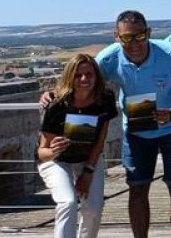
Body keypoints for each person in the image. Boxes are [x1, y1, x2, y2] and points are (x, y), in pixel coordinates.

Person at [97, 10, 171, 238]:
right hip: (137, 131)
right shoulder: (107, 60)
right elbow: (79, 79)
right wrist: (52, 96)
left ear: (149, 33)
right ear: (116, 36)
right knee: (137, 189)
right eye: (127, 38)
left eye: (139, 36)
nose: (134, 44)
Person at [37, 53, 119, 238]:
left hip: (88, 158)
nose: (84, 79)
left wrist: (88, 172)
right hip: (57, 160)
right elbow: (42, 152)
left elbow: (99, 141)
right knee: (68, 201)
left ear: (96, 76)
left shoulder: (104, 99)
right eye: (78, 75)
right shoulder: (57, 106)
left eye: (89, 74)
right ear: (70, 77)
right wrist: (54, 150)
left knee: (94, 208)